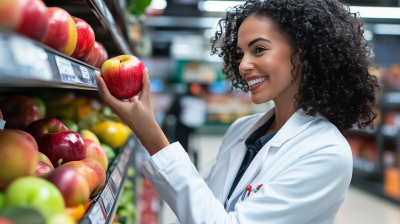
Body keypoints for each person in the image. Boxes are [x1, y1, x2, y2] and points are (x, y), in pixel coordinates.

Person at [96, 0, 379, 223]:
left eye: (258, 50)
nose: (243, 65)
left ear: (304, 53)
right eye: (241, 53)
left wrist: (152, 136)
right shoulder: (241, 131)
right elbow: (198, 204)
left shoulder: (326, 152)